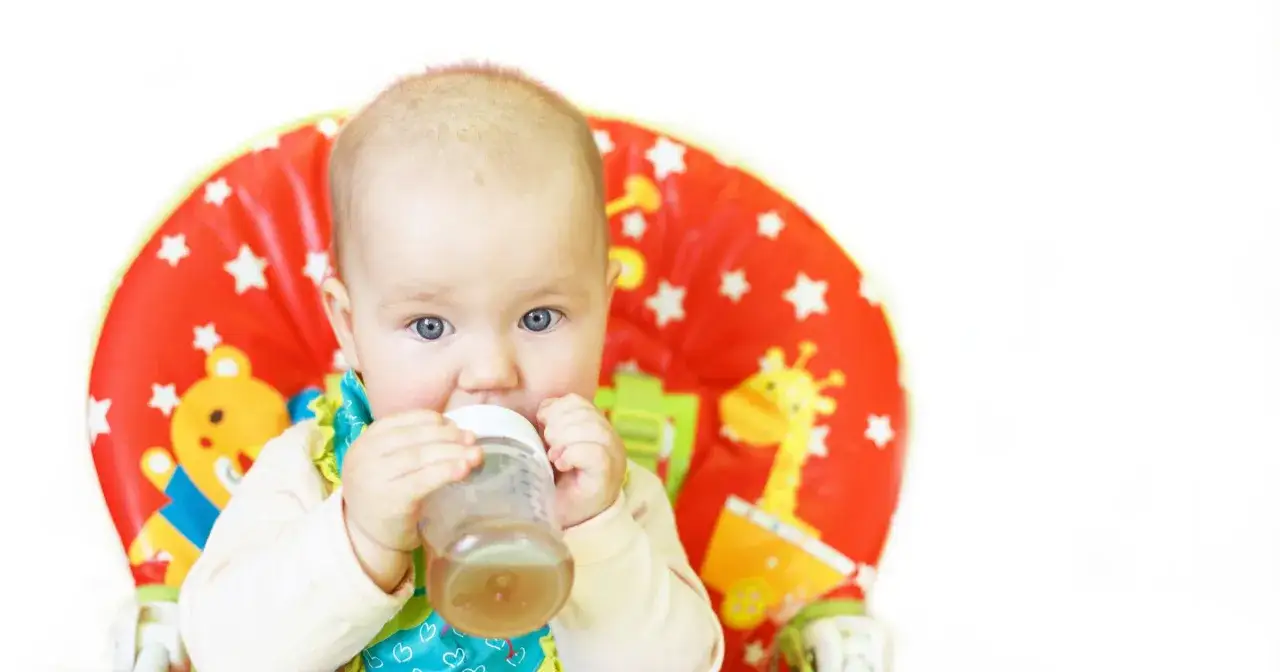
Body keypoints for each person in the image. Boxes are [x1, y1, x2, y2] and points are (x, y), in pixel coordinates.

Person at [177, 63, 726, 672]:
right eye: (430, 327)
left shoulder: (609, 493)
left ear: (604, 308)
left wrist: (596, 535)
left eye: (540, 318)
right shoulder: (313, 471)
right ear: (348, 327)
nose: (491, 371)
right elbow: (222, 654)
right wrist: (359, 539)